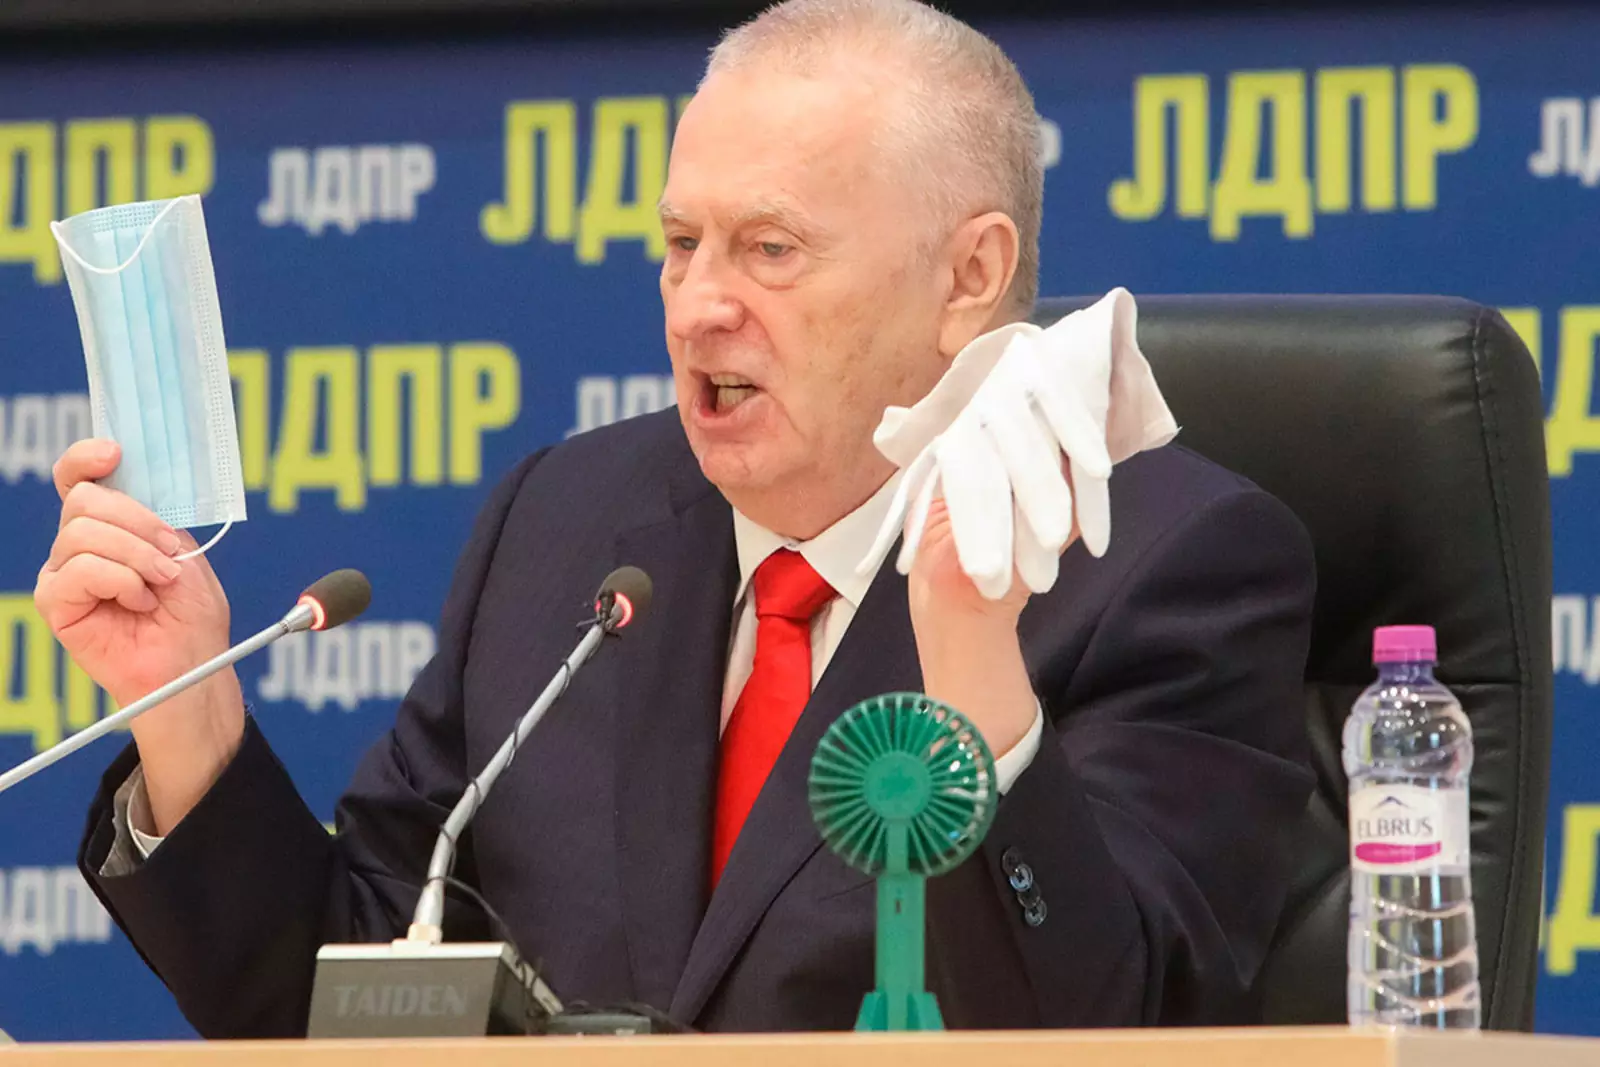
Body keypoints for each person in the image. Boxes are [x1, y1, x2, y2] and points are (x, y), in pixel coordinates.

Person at [41, 0, 1315, 1038]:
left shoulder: (1164, 562)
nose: (699, 304)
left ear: (967, 276)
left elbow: (1119, 1020)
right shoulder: (567, 521)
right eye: (679, 243)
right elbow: (358, 993)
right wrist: (185, 706)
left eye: (770, 249)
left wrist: (972, 662)